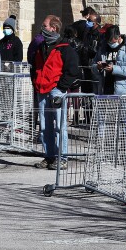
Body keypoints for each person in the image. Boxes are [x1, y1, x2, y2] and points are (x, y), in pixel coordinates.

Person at [32, 15, 81, 170]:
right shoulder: (41, 46)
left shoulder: (65, 48)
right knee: (45, 126)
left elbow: (73, 70)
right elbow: (35, 66)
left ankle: (62, 158)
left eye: (45, 25)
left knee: (60, 126)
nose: (42, 28)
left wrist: (60, 87)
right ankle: (49, 156)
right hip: (42, 89)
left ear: (53, 28)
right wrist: (36, 81)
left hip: (56, 90)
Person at [92, 25, 126, 95]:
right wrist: (98, 67)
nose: (111, 44)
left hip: (123, 91)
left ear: (119, 37)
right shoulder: (103, 47)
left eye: (113, 42)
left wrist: (114, 69)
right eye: (109, 42)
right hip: (105, 89)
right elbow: (93, 65)